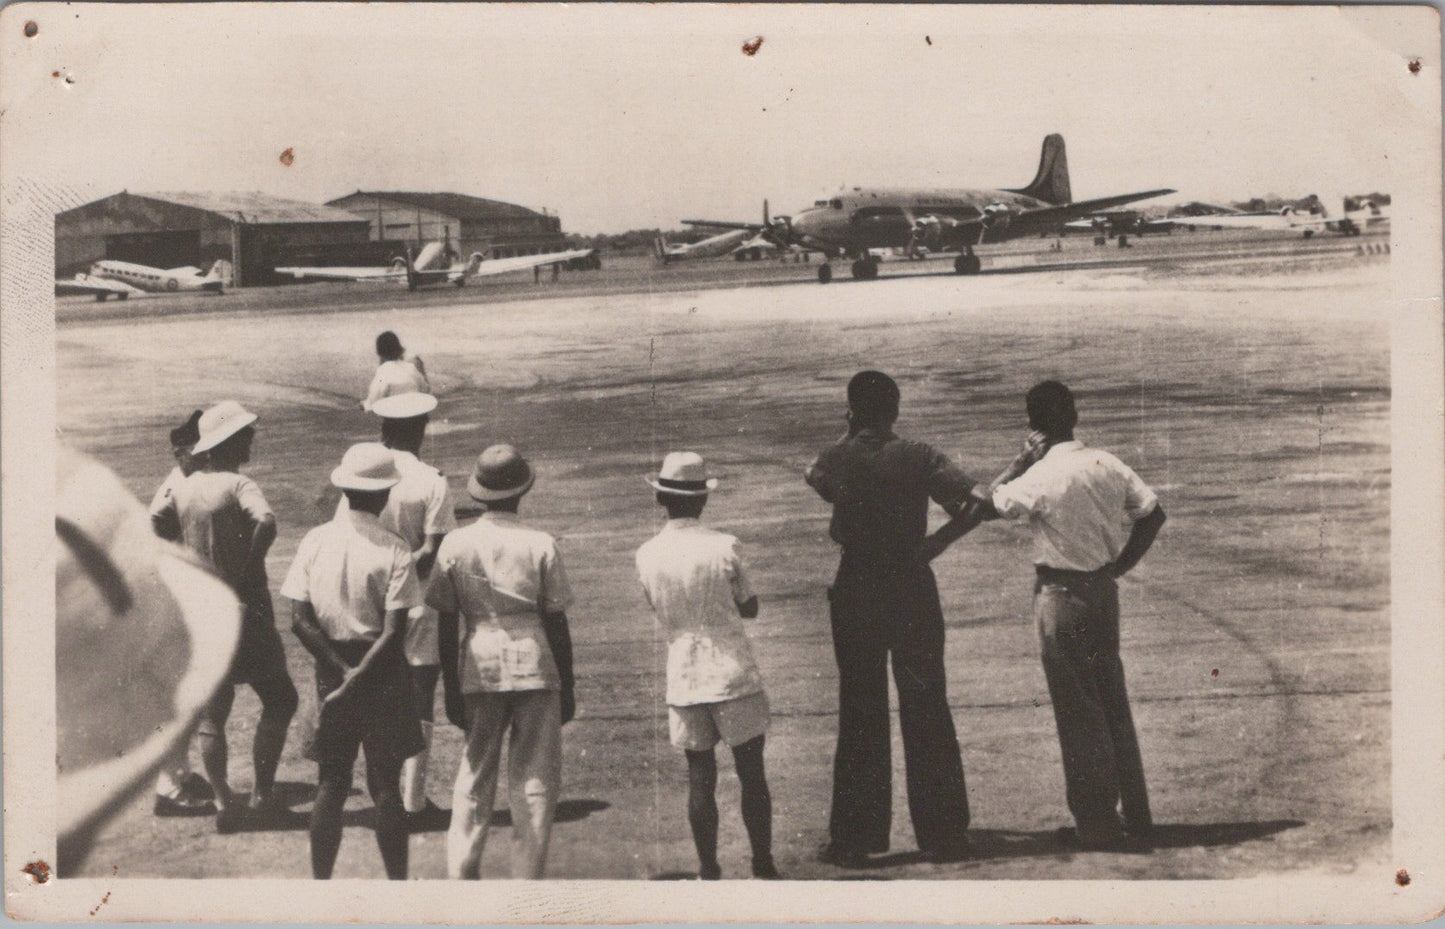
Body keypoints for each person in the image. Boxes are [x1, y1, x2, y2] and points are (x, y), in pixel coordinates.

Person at [960, 380, 1166, 851]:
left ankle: (1096, 823)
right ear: (1073, 416)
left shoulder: (1039, 476)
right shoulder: (1105, 462)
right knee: (1112, 701)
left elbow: (982, 504)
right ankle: (1136, 813)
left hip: (1061, 594)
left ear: (1033, 425)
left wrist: (1018, 462)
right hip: (1102, 591)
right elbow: (1152, 514)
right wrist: (1121, 564)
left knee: (1078, 711)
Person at [804, 370, 981, 866]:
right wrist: (934, 545)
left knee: (860, 706)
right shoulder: (920, 455)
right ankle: (945, 834)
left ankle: (855, 838)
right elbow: (972, 502)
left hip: (858, 583)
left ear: (853, 411)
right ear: (897, 411)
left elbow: (812, 473)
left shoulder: (836, 457)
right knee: (927, 702)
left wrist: (849, 430)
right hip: (911, 580)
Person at [429, 444, 576, 879]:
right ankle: (526, 879)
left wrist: (451, 688)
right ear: (520, 492)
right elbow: (557, 620)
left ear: (479, 493)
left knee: (475, 771)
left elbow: (445, 621)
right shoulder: (539, 542)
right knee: (534, 777)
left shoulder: (456, 542)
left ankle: (462, 871)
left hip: (479, 657)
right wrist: (567, 684)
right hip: (534, 656)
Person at [152, 400, 299, 833]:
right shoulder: (239, 484)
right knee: (281, 699)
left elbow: (155, 525)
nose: (251, 440)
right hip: (246, 607)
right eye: (246, 435)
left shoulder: (181, 486)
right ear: (228, 442)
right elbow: (267, 523)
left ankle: (223, 802)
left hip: (204, 610)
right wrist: (250, 568)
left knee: (214, 713)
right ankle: (261, 795)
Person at [282, 443, 425, 880]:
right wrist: (360, 676)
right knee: (385, 787)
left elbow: (299, 621)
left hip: (330, 668)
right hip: (381, 674)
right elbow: (394, 632)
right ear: (383, 496)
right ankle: (397, 890)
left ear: (344, 488)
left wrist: (341, 674)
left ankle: (321, 888)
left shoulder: (315, 541)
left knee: (332, 782)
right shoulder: (395, 548)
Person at [636, 452, 780, 880]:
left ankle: (708, 868)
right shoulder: (724, 544)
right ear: (702, 501)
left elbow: (656, 606)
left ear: (662, 499)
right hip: (731, 669)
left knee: (700, 776)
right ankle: (763, 863)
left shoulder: (646, 554)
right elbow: (749, 605)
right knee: (752, 773)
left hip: (683, 671)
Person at [337, 390, 456, 824]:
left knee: (370, 690)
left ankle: (381, 794)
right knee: (421, 695)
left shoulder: (359, 475)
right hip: (418, 602)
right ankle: (413, 800)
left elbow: (348, 534)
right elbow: (434, 549)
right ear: (422, 427)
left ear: (383, 428)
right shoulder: (432, 480)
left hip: (369, 603)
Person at [147, 409, 219, 817]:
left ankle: (177, 776)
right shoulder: (178, 486)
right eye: (198, 449)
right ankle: (170, 790)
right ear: (181, 453)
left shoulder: (187, 482)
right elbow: (154, 530)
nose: (206, 455)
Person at [363, 330, 430, 412]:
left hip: (396, 417)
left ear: (380, 353)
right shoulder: (411, 367)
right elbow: (425, 389)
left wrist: (365, 405)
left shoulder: (383, 371)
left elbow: (375, 397)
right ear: (399, 349)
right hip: (415, 414)